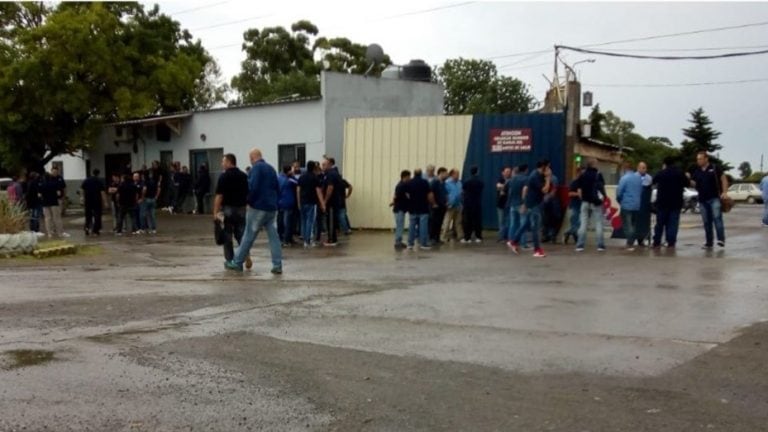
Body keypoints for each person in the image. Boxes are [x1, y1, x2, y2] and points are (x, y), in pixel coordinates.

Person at [225, 148, 282, 274]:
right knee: (274, 237)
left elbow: (252, 187)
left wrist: (248, 201)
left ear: (252, 158)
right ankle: (277, 264)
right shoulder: (271, 168)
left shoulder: (255, 169)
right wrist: (275, 203)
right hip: (271, 209)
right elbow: (278, 188)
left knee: (248, 235)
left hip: (258, 207)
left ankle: (237, 262)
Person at [212, 153, 251, 268]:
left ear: (229, 162)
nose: (222, 164)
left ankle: (230, 260)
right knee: (241, 234)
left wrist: (215, 212)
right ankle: (245, 254)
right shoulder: (244, 176)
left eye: (223, 161)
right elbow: (248, 193)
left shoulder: (224, 177)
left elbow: (219, 195)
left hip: (228, 209)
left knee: (227, 236)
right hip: (241, 209)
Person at [507, 160, 552, 258]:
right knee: (535, 227)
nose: (549, 169)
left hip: (533, 203)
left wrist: (525, 204)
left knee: (526, 223)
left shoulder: (537, 175)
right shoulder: (535, 177)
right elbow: (545, 190)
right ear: (543, 167)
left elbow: (527, 189)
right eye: (548, 167)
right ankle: (537, 250)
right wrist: (548, 178)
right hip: (534, 204)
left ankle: (513, 241)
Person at [689, 151, 729, 249]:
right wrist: (688, 180)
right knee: (706, 222)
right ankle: (709, 242)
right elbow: (694, 183)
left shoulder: (715, 168)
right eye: (697, 159)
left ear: (706, 159)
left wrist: (724, 192)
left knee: (717, 218)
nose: (698, 161)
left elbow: (723, 179)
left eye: (700, 159)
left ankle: (721, 239)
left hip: (714, 198)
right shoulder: (697, 171)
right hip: (702, 200)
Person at [652, 156, 688, 248]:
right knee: (673, 224)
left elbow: (653, 181)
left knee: (660, 223)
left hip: (662, 202)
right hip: (676, 202)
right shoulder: (680, 173)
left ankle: (657, 241)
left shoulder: (661, 173)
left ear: (665, 164)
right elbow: (687, 183)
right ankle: (671, 242)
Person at [575, 158, 607, 252]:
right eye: (596, 163)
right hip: (596, 202)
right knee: (598, 223)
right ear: (593, 165)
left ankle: (580, 245)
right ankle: (600, 245)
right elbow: (601, 187)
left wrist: (583, 197)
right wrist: (603, 197)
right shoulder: (598, 175)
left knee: (583, 223)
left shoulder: (583, 175)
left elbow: (578, 187)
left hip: (585, 201)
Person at [297, 161, 325, 248]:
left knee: (303, 221)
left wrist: (298, 202)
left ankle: (304, 240)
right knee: (310, 221)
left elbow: (298, 190)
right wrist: (323, 203)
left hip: (302, 201)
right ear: (314, 168)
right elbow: (318, 192)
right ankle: (308, 240)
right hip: (312, 202)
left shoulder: (301, 177)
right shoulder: (315, 178)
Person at [617, 162, 643, 251]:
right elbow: (641, 191)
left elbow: (619, 192)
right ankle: (631, 242)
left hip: (626, 204)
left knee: (627, 225)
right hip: (636, 205)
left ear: (624, 169)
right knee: (633, 224)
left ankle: (629, 243)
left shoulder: (624, 178)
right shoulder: (639, 178)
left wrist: (619, 200)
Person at [406, 168, 434, 250]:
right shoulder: (425, 182)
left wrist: (410, 201)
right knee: (423, 226)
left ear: (413, 174)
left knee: (411, 226)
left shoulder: (409, 182)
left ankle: (410, 244)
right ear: (421, 174)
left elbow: (407, 194)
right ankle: (423, 243)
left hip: (412, 207)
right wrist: (433, 203)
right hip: (423, 207)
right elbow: (430, 195)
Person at [321, 157, 344, 246]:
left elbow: (330, 188)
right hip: (334, 201)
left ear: (330, 165)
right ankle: (332, 238)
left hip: (332, 202)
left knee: (331, 220)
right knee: (332, 220)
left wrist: (325, 200)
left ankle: (331, 239)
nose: (322, 166)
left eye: (324, 165)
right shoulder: (331, 174)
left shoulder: (331, 174)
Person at [39, 168, 68, 238]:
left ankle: (49, 233)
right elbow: (58, 193)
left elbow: (39, 195)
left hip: (45, 203)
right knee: (57, 218)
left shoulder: (42, 185)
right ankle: (59, 233)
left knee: (47, 218)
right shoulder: (54, 184)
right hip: (54, 202)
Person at [506, 165, 529, 249]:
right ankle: (524, 244)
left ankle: (511, 241)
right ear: (525, 170)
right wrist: (524, 203)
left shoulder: (512, 179)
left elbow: (509, 191)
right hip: (521, 204)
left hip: (513, 204)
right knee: (523, 224)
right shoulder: (526, 179)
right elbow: (525, 190)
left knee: (513, 224)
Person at [461, 165, 484, 243]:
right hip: (477, 203)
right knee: (477, 220)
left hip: (468, 203)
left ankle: (467, 237)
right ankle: (478, 237)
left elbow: (463, 191)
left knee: (468, 220)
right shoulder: (480, 182)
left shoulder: (467, 182)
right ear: (477, 172)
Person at [80, 169, 106, 236]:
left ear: (92, 173)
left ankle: (87, 228)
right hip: (97, 201)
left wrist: (82, 198)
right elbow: (102, 192)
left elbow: (82, 189)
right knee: (97, 216)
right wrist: (105, 201)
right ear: (98, 174)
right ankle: (96, 230)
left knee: (88, 215)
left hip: (88, 200)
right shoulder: (99, 181)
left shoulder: (87, 180)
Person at [277, 165, 299, 246]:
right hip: (288, 203)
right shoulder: (290, 180)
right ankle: (287, 240)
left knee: (280, 222)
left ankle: (281, 238)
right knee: (288, 223)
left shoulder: (278, 178)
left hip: (279, 203)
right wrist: (292, 175)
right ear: (289, 171)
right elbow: (298, 183)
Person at [390, 169, 411, 249]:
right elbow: (396, 196)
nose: (410, 178)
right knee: (400, 225)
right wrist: (393, 201)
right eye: (409, 177)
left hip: (400, 208)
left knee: (400, 225)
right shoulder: (401, 186)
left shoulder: (402, 185)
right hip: (399, 209)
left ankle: (399, 241)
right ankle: (398, 242)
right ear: (405, 177)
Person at [563, 167, 583, 244]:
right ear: (577, 173)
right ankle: (568, 232)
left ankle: (569, 233)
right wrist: (578, 194)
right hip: (575, 205)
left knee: (578, 223)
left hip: (581, 205)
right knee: (577, 222)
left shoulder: (583, 183)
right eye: (581, 173)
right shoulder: (574, 183)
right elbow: (569, 193)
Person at [441, 169, 463, 242]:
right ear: (452, 174)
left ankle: (460, 236)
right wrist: (447, 202)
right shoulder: (447, 183)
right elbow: (445, 194)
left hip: (458, 205)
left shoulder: (459, 183)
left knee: (458, 222)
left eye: (458, 174)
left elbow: (461, 193)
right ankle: (443, 236)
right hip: (450, 205)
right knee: (447, 222)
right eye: (456, 174)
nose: (458, 175)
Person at [429, 167, 448, 244]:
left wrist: (446, 202)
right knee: (434, 222)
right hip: (436, 206)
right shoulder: (434, 182)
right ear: (441, 173)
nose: (447, 175)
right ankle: (432, 238)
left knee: (440, 222)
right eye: (445, 173)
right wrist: (434, 204)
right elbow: (431, 193)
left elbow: (445, 193)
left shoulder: (443, 183)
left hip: (442, 206)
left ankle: (437, 238)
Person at [496, 167, 513, 242]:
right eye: (506, 171)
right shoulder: (500, 179)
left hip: (509, 204)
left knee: (508, 221)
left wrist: (503, 187)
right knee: (501, 221)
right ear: (502, 172)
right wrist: (505, 186)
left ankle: (507, 236)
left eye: (509, 171)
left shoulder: (512, 180)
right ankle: (501, 237)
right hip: (501, 204)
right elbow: (498, 186)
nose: (508, 173)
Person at [142, 169, 161, 234]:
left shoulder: (146, 182)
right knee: (152, 215)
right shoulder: (156, 181)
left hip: (147, 198)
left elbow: (144, 190)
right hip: (153, 199)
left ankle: (148, 228)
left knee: (146, 214)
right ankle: (154, 228)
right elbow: (159, 189)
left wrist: (143, 197)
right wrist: (156, 197)